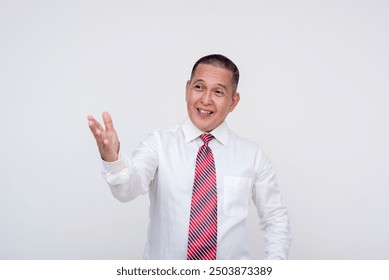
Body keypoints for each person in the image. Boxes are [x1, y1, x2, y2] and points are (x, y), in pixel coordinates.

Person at [88, 54, 291, 260]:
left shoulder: (252, 155)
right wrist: (113, 161)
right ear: (187, 89)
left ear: (233, 101)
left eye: (218, 92)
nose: (205, 100)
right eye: (199, 87)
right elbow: (127, 189)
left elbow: (275, 218)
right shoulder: (158, 144)